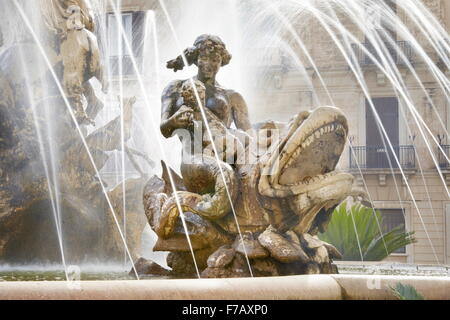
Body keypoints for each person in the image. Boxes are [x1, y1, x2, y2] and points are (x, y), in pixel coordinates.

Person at [160, 34, 252, 148]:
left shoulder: (233, 97)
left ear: (221, 61)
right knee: (223, 167)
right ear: (195, 60)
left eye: (215, 60)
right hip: (193, 157)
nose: (209, 64)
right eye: (204, 58)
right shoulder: (176, 87)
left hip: (228, 154)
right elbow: (165, 130)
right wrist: (174, 121)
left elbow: (250, 139)